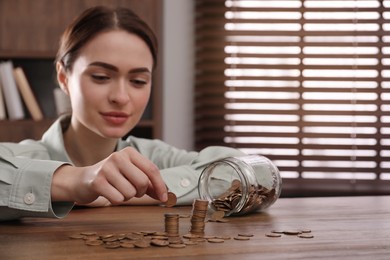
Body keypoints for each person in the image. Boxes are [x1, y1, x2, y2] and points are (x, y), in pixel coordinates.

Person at [0, 6, 244, 221]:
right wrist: (75, 182)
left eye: (138, 81)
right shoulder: (20, 157)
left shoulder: (154, 157)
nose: (121, 97)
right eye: (101, 77)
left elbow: (253, 173)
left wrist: (133, 191)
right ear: (64, 77)